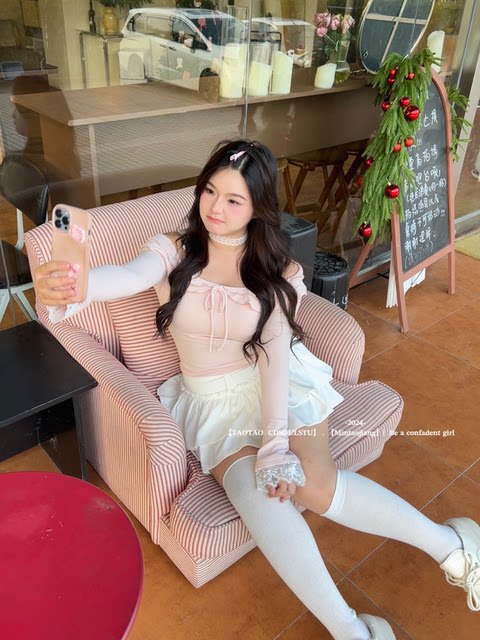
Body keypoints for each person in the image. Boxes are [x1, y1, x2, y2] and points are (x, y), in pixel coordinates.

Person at [33, 139, 479, 639]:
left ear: (257, 208)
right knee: (259, 497)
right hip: (209, 399)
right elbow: (128, 276)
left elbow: (273, 357)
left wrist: (274, 445)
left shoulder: (277, 271)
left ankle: (453, 545)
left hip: (278, 382)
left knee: (315, 485)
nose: (215, 208)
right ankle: (351, 630)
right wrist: (81, 285)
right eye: (209, 191)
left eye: (233, 199)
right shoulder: (175, 249)